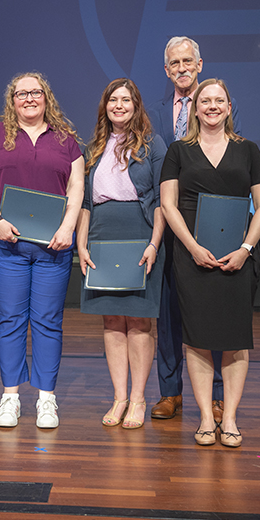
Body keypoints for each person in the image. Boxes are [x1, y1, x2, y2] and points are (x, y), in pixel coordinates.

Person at [160, 78, 260, 447]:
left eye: (218, 100)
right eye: (204, 100)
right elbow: (168, 205)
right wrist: (191, 247)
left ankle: (232, 420)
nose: (211, 106)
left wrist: (244, 248)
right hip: (192, 258)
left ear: (228, 107)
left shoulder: (248, 150)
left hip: (237, 259)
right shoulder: (179, 150)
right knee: (197, 340)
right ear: (195, 108)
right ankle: (207, 418)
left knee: (236, 341)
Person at [0, 72, 84, 429]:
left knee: (48, 322)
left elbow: (77, 187)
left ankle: (46, 400)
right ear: (12, 99)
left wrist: (68, 228)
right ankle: (10, 398)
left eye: (35, 92)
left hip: (54, 247)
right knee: (10, 320)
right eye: (21, 93)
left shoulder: (67, 139)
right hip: (7, 244)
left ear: (46, 96)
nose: (29, 99)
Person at [77, 79, 167, 429]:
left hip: (140, 237)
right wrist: (81, 245)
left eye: (125, 100)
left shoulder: (153, 145)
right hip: (101, 237)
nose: (119, 105)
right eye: (112, 100)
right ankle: (119, 397)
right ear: (105, 106)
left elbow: (161, 200)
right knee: (112, 321)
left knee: (140, 322)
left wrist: (154, 243)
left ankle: (140, 399)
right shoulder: (94, 148)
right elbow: (84, 204)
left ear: (136, 105)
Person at [147, 36, 224, 421]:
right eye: (174, 62)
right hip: (166, 218)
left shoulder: (216, 105)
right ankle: (170, 392)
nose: (181, 67)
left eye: (187, 61)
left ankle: (216, 396)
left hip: (205, 218)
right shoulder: (155, 113)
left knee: (211, 310)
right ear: (167, 69)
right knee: (167, 313)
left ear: (199, 64)